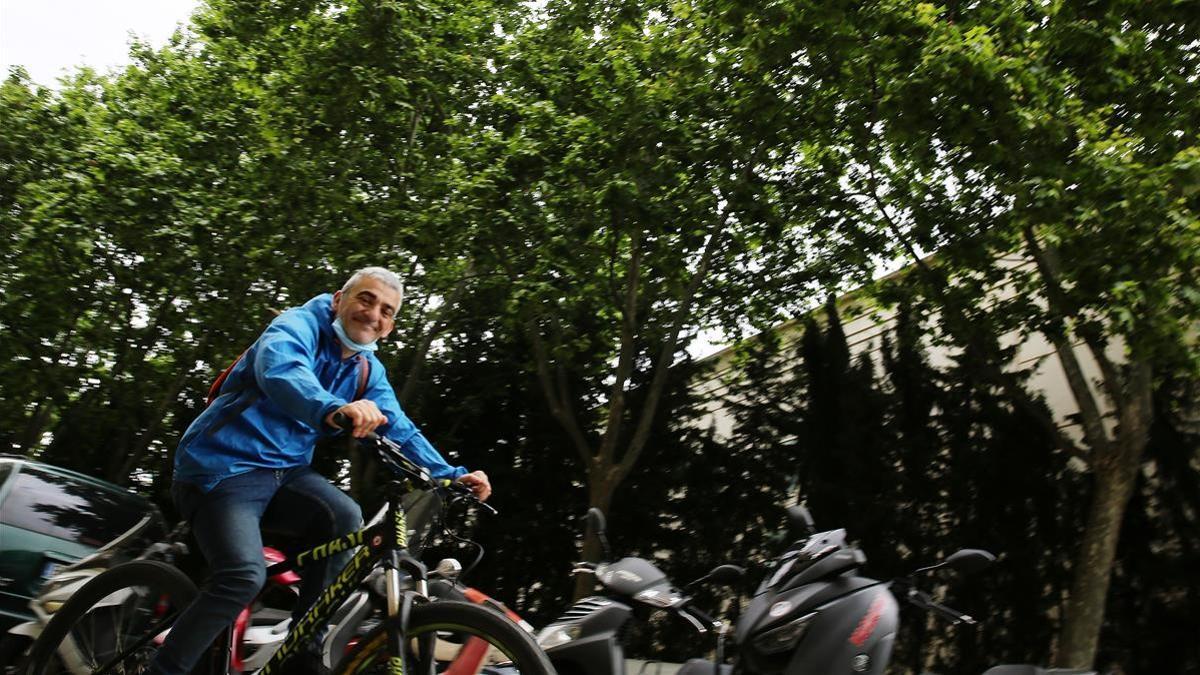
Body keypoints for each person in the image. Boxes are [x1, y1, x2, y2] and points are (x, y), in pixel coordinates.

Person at [148, 267, 490, 675]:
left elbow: (398, 427)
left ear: (389, 327)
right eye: (365, 299)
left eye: (386, 310)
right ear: (338, 300)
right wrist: (332, 408)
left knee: (344, 517)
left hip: (283, 474)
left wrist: (450, 476)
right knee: (242, 577)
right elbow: (282, 371)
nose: (372, 314)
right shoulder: (296, 325)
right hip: (221, 469)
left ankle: (300, 651)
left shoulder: (366, 370)